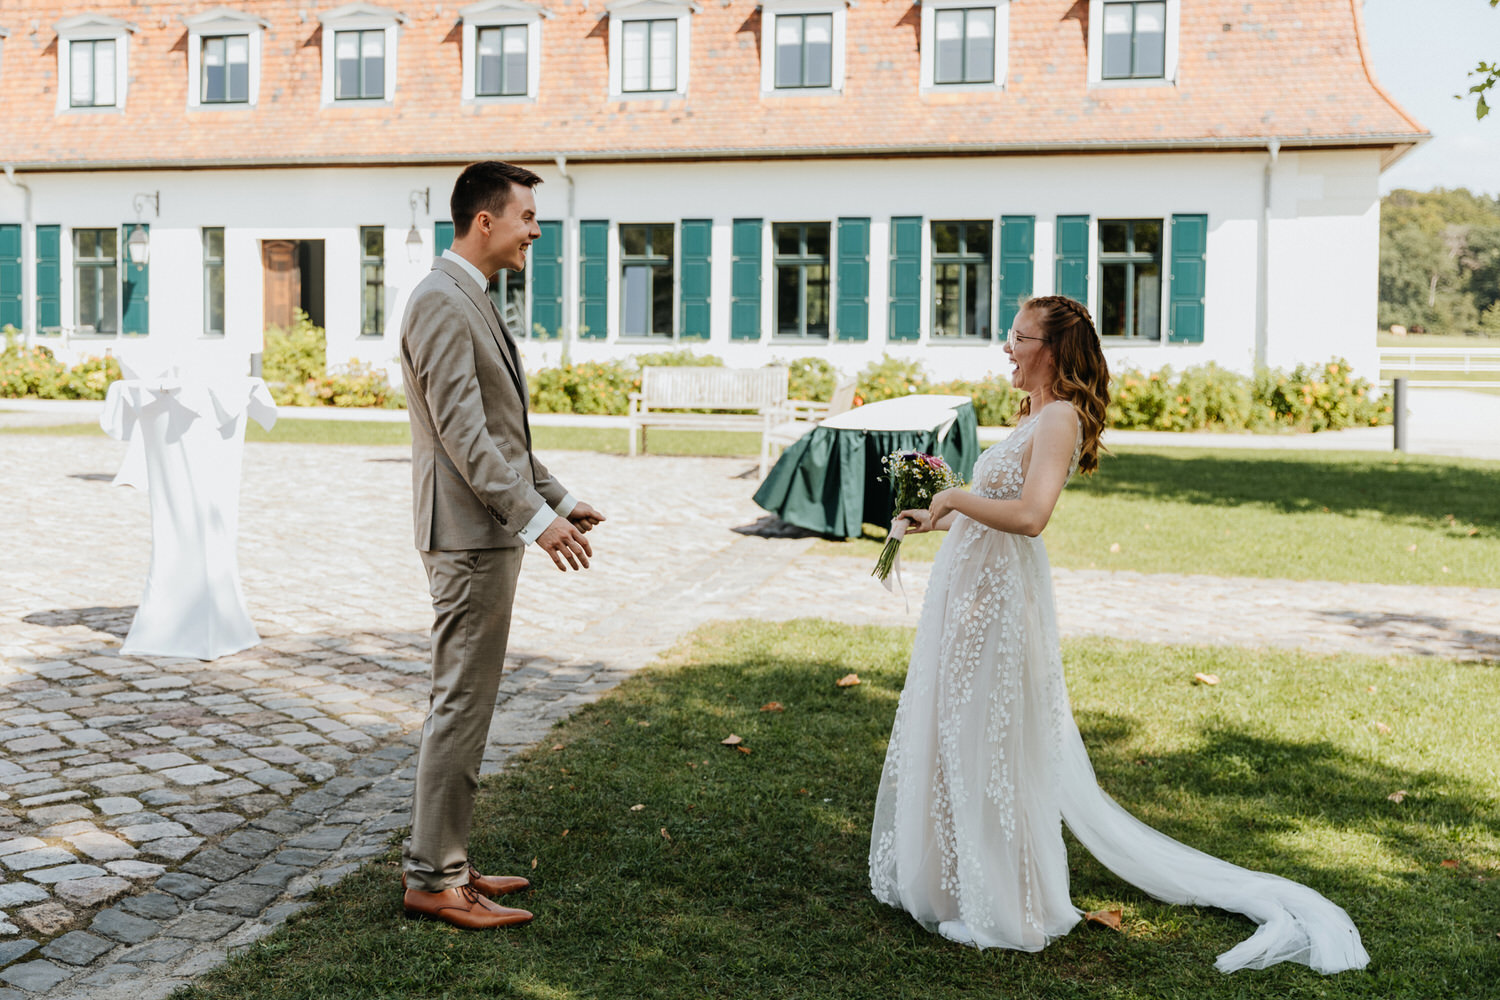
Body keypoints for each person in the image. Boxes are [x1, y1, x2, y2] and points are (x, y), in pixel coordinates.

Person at [868, 295, 1368, 973]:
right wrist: (937, 517)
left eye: (1018, 337)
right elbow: (999, 507)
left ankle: (1009, 910)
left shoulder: (1060, 417)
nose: (1007, 347)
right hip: (969, 597)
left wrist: (955, 495)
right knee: (960, 733)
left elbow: (1032, 515)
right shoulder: (1030, 413)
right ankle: (959, 885)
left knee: (992, 740)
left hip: (1000, 605)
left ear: (1051, 350)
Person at [399, 161, 605, 930]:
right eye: (527, 217)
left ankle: (449, 858)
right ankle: (434, 879)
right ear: (484, 221)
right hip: (466, 536)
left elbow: (502, 432)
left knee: (470, 702)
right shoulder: (440, 300)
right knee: (460, 704)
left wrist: (559, 499)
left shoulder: (469, 295)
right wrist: (535, 520)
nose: (536, 232)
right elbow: (463, 437)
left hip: (485, 531)